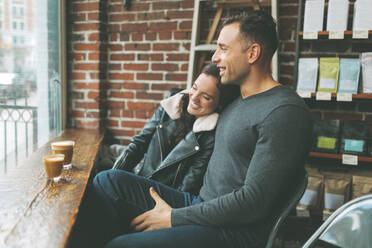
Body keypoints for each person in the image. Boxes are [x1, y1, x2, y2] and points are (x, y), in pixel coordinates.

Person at [85, 10, 313, 248]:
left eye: (224, 49)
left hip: (232, 233)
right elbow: (193, 105)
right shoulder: (235, 103)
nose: (215, 57)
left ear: (253, 53)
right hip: (200, 206)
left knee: (119, 246)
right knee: (108, 182)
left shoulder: (284, 112)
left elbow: (253, 202)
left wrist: (173, 218)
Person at [111, 63, 240, 195]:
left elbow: (188, 186)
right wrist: (113, 175)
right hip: (137, 177)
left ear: (219, 104)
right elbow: (138, 143)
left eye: (206, 97)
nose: (194, 98)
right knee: (104, 181)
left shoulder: (209, 136)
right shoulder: (173, 104)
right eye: (194, 88)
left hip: (161, 197)